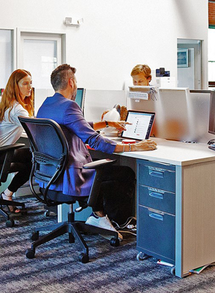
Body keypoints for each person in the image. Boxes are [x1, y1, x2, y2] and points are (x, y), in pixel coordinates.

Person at [37, 64, 157, 240]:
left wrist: (106, 124)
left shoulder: (46, 105)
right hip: (71, 176)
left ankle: (100, 215)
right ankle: (113, 221)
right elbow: (95, 141)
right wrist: (135, 146)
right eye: (75, 82)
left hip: (51, 175)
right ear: (71, 82)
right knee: (124, 173)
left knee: (109, 171)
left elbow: (77, 126)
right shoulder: (69, 106)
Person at [0, 69, 34, 213]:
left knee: (27, 158)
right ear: (15, 86)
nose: (29, 87)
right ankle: (7, 194)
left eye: (30, 83)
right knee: (34, 158)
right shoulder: (18, 110)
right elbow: (36, 130)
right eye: (25, 83)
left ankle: (7, 194)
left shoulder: (7, 104)